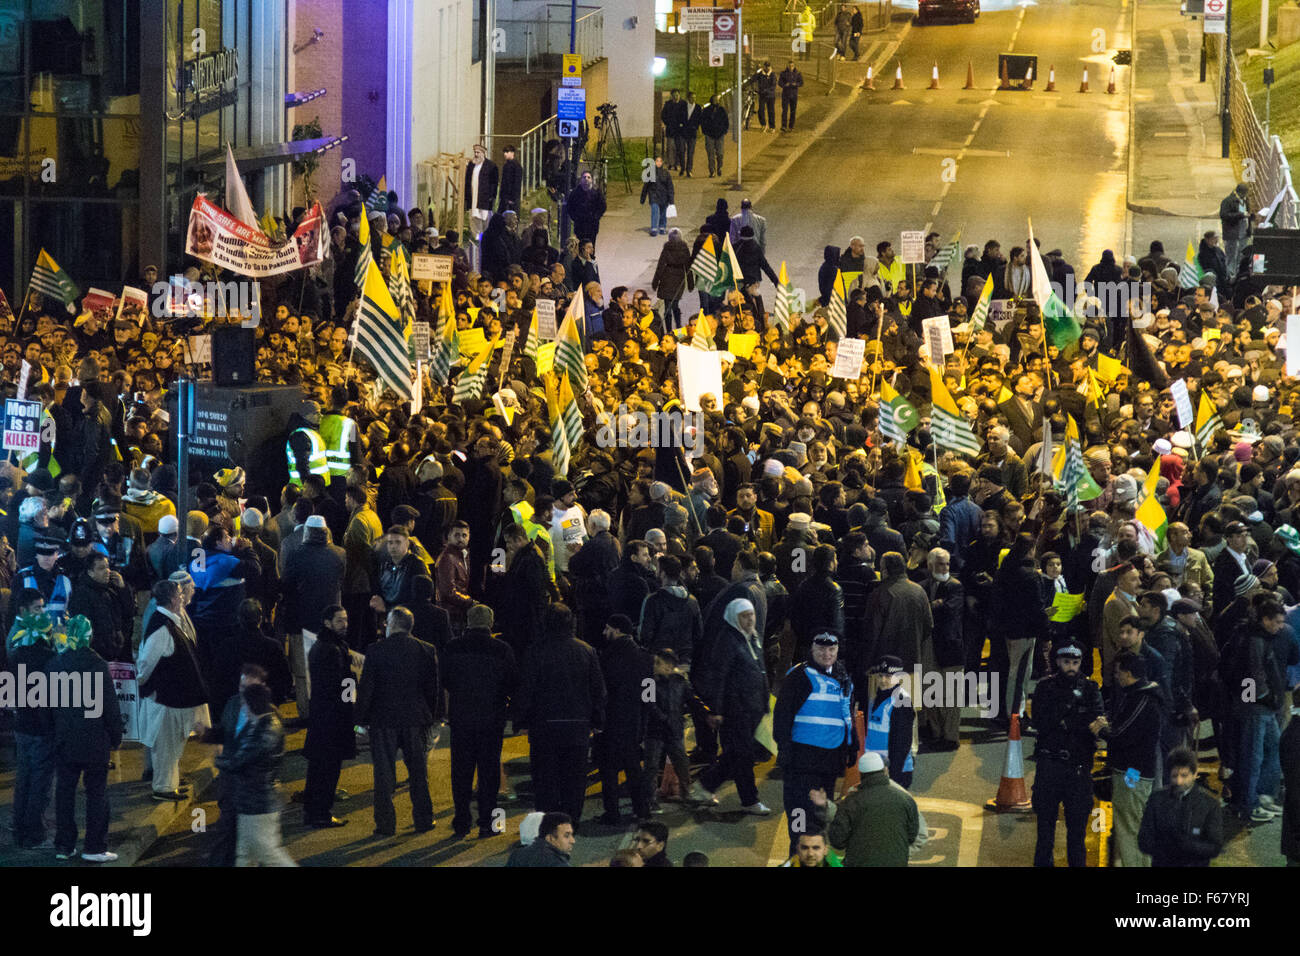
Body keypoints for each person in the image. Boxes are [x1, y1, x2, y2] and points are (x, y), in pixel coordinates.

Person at [515, 603, 606, 825]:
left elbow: (526, 689)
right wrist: (597, 720)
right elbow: (598, 690)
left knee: (545, 780)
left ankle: (548, 824)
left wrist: (520, 719)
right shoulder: (586, 650)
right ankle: (570, 823)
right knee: (574, 779)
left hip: (544, 726)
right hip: (577, 726)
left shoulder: (536, 651)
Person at [354, 606, 442, 837]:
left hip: (384, 720)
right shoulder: (426, 649)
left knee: (384, 774)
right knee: (418, 772)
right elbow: (432, 688)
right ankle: (424, 819)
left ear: (392, 624)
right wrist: (431, 716)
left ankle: (385, 824)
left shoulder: (375, 651)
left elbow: (367, 690)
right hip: (416, 718)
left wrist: (359, 720)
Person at [47, 615, 122, 863]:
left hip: (65, 740)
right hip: (94, 740)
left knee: (65, 793)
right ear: (90, 636)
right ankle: (94, 846)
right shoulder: (97, 665)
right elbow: (109, 706)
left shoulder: (56, 664)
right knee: (96, 794)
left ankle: (64, 845)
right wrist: (116, 735)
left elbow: (46, 706)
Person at [774, 633, 857, 854]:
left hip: (828, 763)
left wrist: (852, 745)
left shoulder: (842, 676)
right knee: (799, 816)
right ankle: (796, 856)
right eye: (821, 649)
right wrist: (784, 748)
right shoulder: (799, 676)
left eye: (831, 650)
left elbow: (846, 714)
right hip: (802, 762)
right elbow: (782, 715)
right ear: (811, 649)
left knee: (821, 816)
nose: (826, 654)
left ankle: (814, 858)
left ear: (838, 650)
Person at [443, 603, 518, 838]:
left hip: (461, 717)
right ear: (490, 623)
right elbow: (512, 682)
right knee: (489, 772)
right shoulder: (502, 649)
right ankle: (487, 821)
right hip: (491, 718)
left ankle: (461, 821)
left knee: (461, 772)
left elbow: (445, 679)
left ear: (468, 622)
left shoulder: (453, 647)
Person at [690, 598, 771, 814]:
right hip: (735, 710)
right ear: (734, 618)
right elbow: (718, 677)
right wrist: (715, 711)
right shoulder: (727, 641)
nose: (749, 619)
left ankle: (707, 787)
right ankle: (748, 799)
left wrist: (764, 702)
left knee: (738, 755)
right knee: (741, 754)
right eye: (744, 616)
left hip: (752, 709)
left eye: (751, 615)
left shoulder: (753, 638)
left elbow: (761, 670)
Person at [137, 578, 210, 802]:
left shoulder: (168, 621)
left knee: (172, 746)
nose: (182, 596)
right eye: (179, 594)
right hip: (165, 699)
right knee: (166, 747)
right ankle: (163, 788)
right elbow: (145, 664)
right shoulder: (162, 627)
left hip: (173, 698)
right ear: (171, 599)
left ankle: (170, 784)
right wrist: (145, 685)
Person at [1031, 643, 1104, 866]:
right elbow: (1040, 721)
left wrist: (1065, 723)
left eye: (1075, 662)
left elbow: (1098, 722)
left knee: (1077, 835)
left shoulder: (1091, 688)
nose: (1071, 667)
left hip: (1078, 768)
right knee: (1045, 832)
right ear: (1058, 662)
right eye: (1066, 662)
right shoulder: (1045, 687)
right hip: (1050, 764)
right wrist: (1078, 723)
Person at [1093, 651, 1165, 867]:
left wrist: (1102, 730)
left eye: (1118, 672)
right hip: (1136, 772)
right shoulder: (1142, 696)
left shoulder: (1141, 699)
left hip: (1132, 774)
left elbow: (1121, 735)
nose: (1116, 676)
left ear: (1128, 673)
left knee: (1129, 829)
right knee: (1132, 827)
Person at [217, 681, 297, 866]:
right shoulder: (258, 723)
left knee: (269, 854)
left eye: (245, 703)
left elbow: (241, 759)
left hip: (259, 804)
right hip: (250, 802)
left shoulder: (267, 729)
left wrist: (218, 759)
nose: (242, 707)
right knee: (245, 855)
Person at [809, 751, 919, 867]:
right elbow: (912, 836)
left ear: (861, 774)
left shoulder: (851, 802)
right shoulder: (905, 799)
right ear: (885, 771)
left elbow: (838, 841)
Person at [8, 601, 56, 849]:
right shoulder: (49, 659)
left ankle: (19, 826)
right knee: (40, 782)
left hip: (22, 726)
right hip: (42, 729)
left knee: (24, 778)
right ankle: (36, 833)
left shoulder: (16, 655)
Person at [302, 604, 355, 828]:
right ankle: (322, 813)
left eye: (345, 619)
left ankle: (313, 811)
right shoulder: (332, 650)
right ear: (327, 623)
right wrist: (352, 696)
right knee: (328, 770)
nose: (344, 624)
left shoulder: (323, 645)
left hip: (322, 718)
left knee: (318, 768)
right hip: (333, 720)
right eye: (339, 621)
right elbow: (341, 685)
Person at [597, 614, 653, 824]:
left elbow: (600, 691)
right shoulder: (645, 657)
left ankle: (612, 812)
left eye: (608, 629)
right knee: (633, 768)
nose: (605, 633)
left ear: (618, 630)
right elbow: (649, 694)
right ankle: (641, 808)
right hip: (633, 721)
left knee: (609, 770)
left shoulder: (605, 657)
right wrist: (646, 719)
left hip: (610, 721)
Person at [1137, 747, 1224, 867]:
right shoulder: (1157, 799)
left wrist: (1188, 847)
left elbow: (1214, 847)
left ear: (1195, 774)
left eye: (1184, 776)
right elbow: (1144, 840)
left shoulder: (1210, 805)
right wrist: (1168, 849)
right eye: (1174, 776)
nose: (1179, 781)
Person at [506, 811, 574, 867]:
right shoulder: (557, 863)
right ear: (550, 837)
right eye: (566, 836)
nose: (573, 841)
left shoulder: (516, 855)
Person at [465, 144, 499, 240]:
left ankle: (485, 238)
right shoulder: (472, 165)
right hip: (473, 196)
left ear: (483, 153)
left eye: (478, 152)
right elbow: (467, 180)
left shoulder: (491, 166)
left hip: (484, 197)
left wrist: (492, 196)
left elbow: (494, 183)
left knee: (484, 217)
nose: (476, 154)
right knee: (474, 216)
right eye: (475, 152)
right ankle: (477, 238)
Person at [566, 170, 607, 248]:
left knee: (591, 245)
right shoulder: (575, 193)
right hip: (580, 225)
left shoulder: (597, 193)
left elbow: (602, 206)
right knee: (580, 246)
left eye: (588, 177)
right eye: (584, 177)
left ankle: (590, 258)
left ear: (591, 180)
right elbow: (569, 207)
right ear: (581, 180)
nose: (586, 179)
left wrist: (596, 217)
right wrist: (575, 217)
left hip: (592, 225)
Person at [700, 94, 729, 178]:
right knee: (710, 154)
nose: (716, 101)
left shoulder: (721, 110)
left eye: (717, 100)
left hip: (720, 135)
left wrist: (724, 130)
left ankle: (719, 167)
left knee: (720, 153)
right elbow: (703, 121)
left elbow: (726, 121)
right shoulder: (706, 110)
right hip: (709, 135)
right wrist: (705, 131)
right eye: (714, 100)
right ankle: (712, 171)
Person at [752, 60, 777, 133]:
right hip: (762, 96)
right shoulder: (760, 74)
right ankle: (763, 124)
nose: (767, 68)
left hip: (770, 96)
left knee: (771, 111)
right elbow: (753, 79)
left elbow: (773, 86)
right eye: (766, 66)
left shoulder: (772, 75)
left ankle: (772, 127)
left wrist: (766, 91)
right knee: (761, 110)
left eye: (768, 66)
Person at [779, 61, 803, 132]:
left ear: (794, 66)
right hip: (785, 94)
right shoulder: (783, 73)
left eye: (792, 66)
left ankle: (791, 126)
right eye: (789, 66)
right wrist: (784, 85)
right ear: (787, 66)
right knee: (785, 111)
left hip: (794, 94)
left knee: (793, 111)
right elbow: (780, 82)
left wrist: (796, 84)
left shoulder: (798, 73)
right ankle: (784, 126)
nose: (791, 67)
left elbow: (801, 82)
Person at [498, 144, 523, 213]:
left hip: (512, 198)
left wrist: (512, 198)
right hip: (504, 197)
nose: (505, 154)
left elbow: (517, 184)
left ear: (512, 153)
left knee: (511, 218)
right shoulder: (506, 165)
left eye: (507, 152)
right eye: (504, 152)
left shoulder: (516, 166)